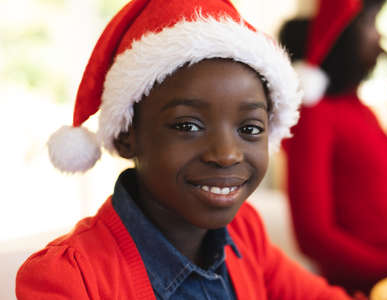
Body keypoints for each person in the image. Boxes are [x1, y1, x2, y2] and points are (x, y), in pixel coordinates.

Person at [15, 0, 368, 299]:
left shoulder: (246, 233)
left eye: (249, 128)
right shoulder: (69, 279)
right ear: (127, 135)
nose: (227, 154)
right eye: (188, 126)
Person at [280, 0, 387, 295]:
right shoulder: (315, 115)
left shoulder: (364, 111)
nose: (379, 36)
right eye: (370, 23)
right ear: (342, 33)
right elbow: (313, 235)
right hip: (355, 290)